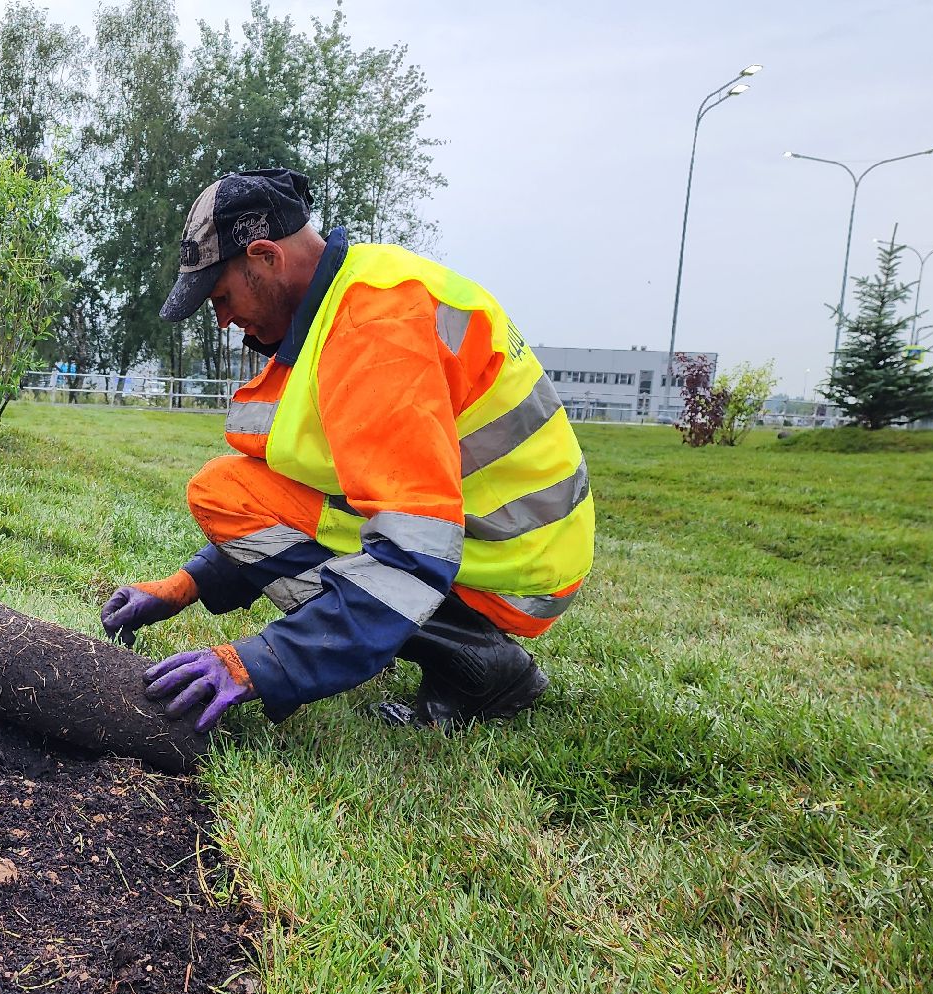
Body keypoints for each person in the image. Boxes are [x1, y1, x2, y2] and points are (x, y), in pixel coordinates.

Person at [101, 168, 594, 734]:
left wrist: (262, 664)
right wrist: (184, 587)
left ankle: (478, 662)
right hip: (488, 531)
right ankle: (446, 641)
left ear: (265, 257)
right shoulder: (346, 302)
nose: (224, 320)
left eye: (222, 297)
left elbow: (415, 550)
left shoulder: (374, 327)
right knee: (224, 491)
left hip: (513, 562)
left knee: (366, 556)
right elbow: (307, 496)